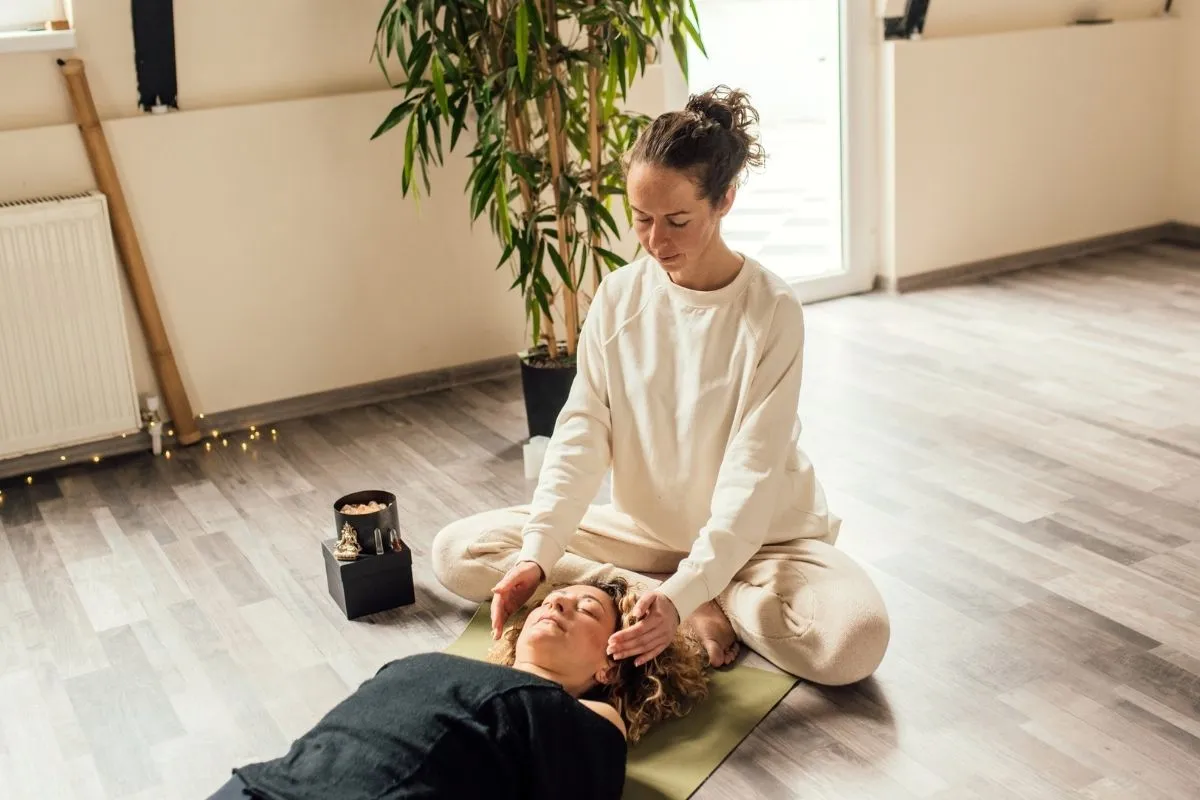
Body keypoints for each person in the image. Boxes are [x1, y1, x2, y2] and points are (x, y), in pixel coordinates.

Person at [433, 85, 890, 685]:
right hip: (645, 535)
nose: (656, 241)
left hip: (763, 540)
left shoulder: (771, 310)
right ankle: (656, 594)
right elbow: (581, 432)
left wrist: (693, 583)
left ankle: (693, 596)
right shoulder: (621, 295)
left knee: (854, 641)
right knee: (460, 551)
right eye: (642, 219)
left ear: (724, 199)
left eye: (677, 220)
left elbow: (752, 474)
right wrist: (538, 554)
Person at [207, 578, 708, 800]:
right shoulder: (432, 664)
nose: (556, 606)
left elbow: (609, 732)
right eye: (552, 600)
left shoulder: (573, 720)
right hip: (261, 785)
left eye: (587, 611)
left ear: (611, 667)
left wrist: (685, 607)